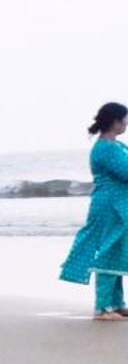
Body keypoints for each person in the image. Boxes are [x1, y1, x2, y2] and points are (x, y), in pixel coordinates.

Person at [60, 102, 128, 319]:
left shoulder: (117, 146)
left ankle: (116, 304)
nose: (127, 123)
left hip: (119, 203)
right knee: (109, 250)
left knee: (117, 251)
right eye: (125, 118)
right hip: (109, 205)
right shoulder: (105, 148)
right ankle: (103, 307)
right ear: (116, 121)